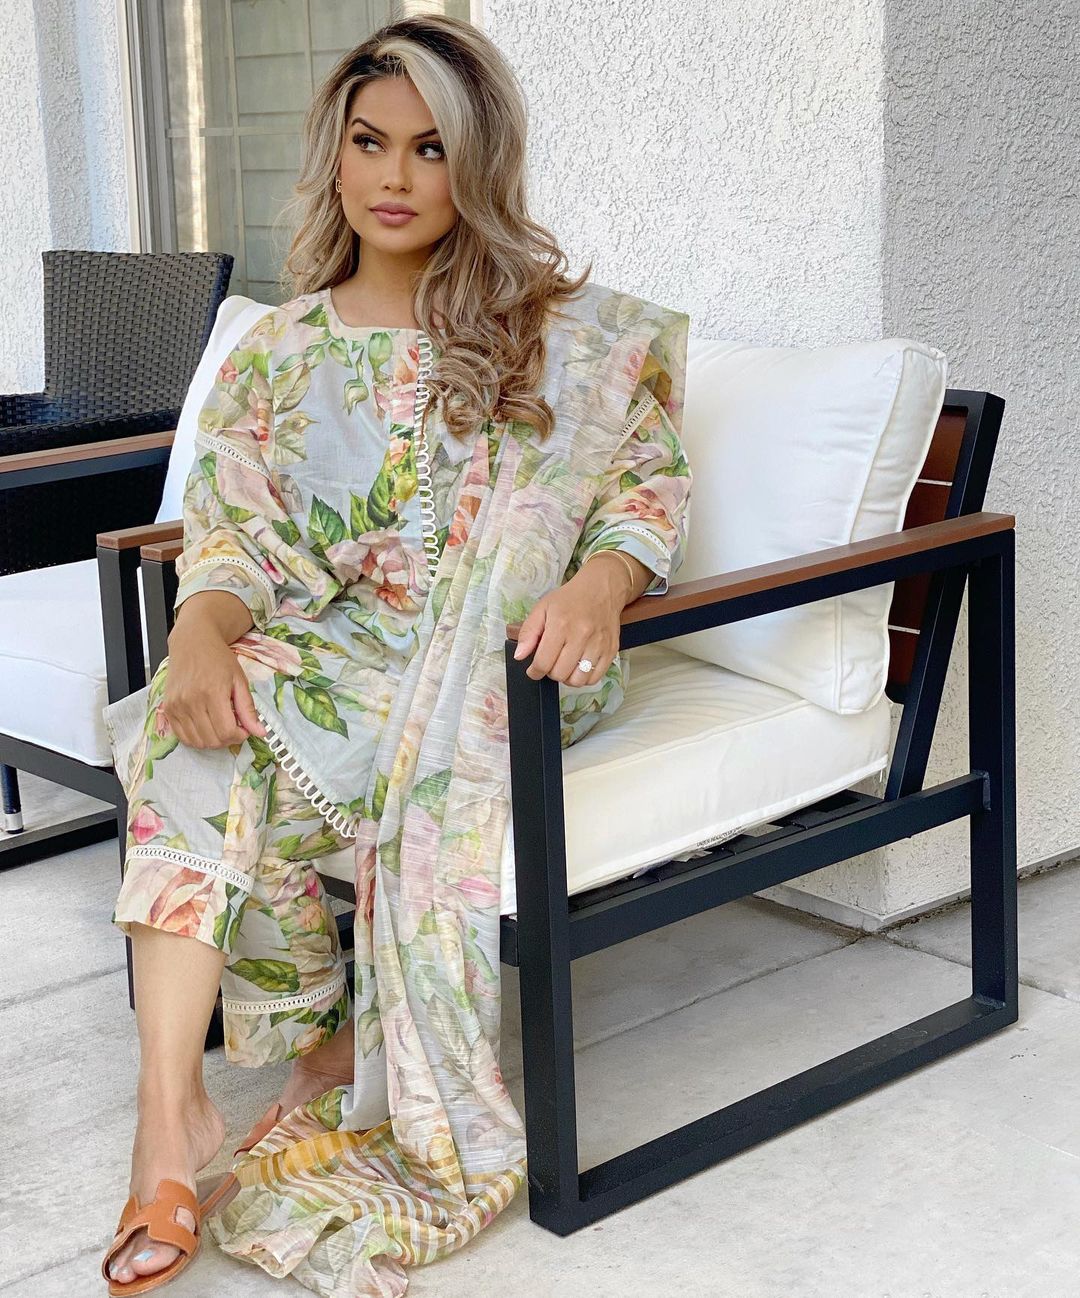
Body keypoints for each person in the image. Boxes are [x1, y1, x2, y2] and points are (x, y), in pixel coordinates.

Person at [100, 12, 692, 1297]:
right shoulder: (279, 351)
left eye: (432, 149)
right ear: (336, 152)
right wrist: (198, 632)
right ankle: (172, 1115)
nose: (396, 176)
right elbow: (232, 540)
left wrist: (601, 584)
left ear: (477, 163)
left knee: (212, 763)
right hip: (336, 654)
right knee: (181, 738)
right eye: (371, 142)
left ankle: (299, 1065)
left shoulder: (554, 336)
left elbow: (642, 490)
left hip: (507, 667)